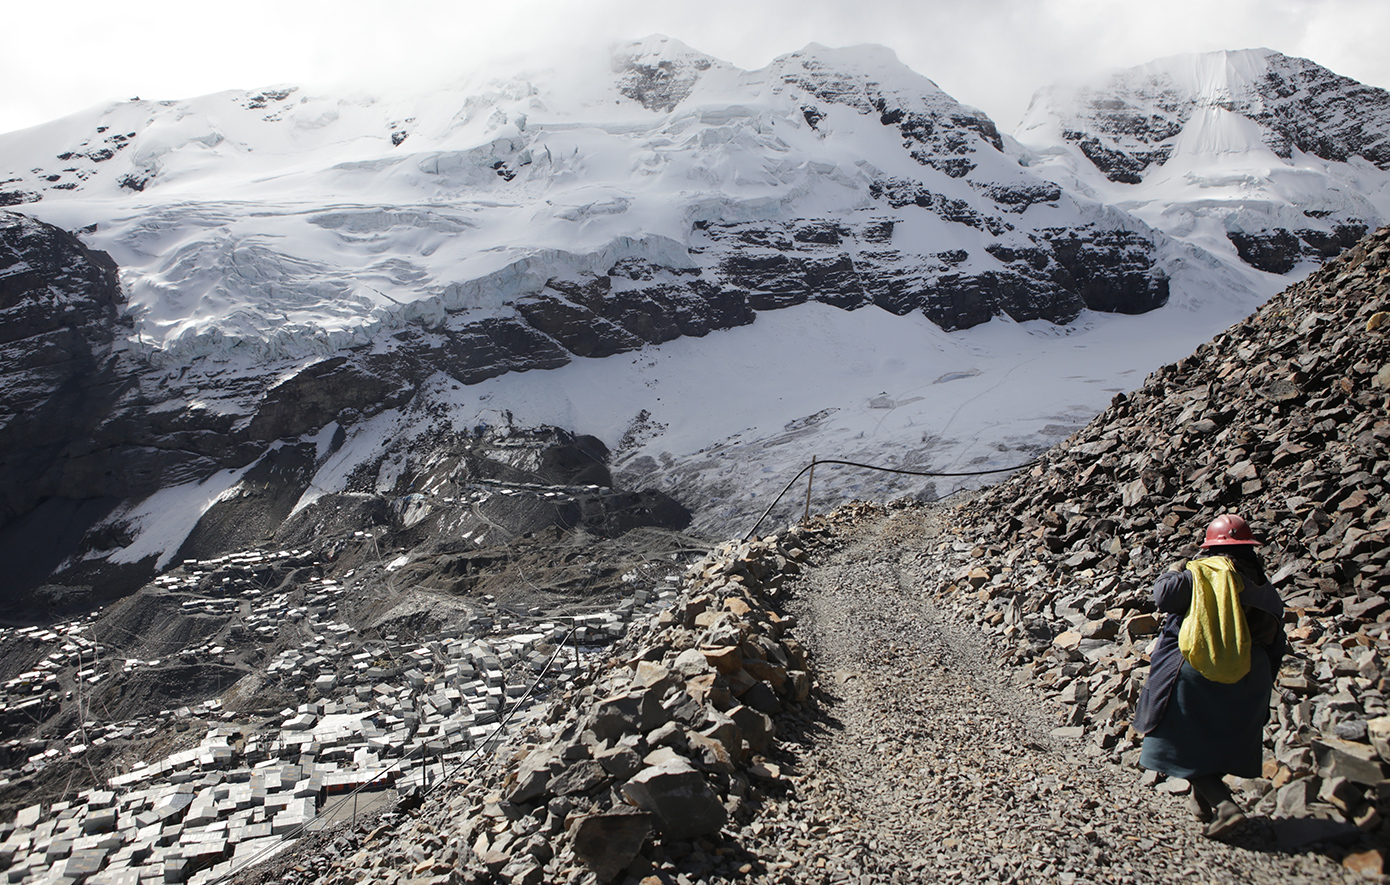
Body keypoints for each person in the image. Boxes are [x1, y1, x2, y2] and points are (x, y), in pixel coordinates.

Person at [1133, 513, 1286, 839]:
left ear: (1211, 547)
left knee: (1178, 738)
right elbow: (1277, 642)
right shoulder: (1266, 589)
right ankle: (1201, 806)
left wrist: (1173, 569)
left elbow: (1165, 597)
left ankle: (1225, 806)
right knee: (1215, 737)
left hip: (1198, 666)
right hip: (1251, 672)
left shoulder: (1203, 572)